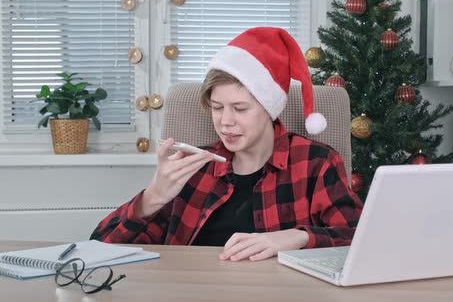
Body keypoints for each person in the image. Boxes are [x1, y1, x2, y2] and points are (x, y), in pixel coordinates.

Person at [90, 27, 363, 262]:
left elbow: (358, 238)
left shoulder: (315, 162)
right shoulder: (194, 167)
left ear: (270, 109)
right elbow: (101, 247)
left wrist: (297, 237)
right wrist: (153, 198)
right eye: (217, 107)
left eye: (240, 109)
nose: (225, 122)